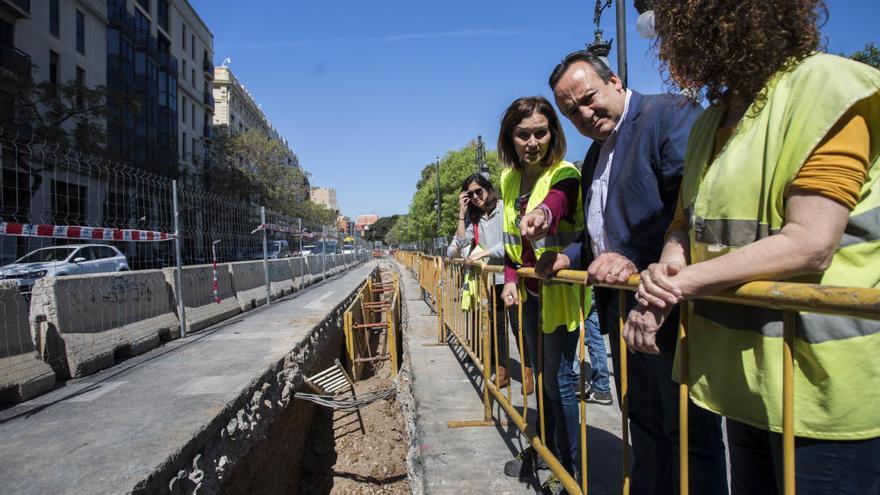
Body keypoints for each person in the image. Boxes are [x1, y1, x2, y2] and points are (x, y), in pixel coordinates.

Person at [627, 1, 880, 493]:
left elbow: (810, 243)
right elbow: (685, 224)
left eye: (666, 17)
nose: (660, 36)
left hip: (823, 388)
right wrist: (668, 267)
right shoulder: (710, 123)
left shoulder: (827, 86)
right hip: (744, 382)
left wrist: (671, 289)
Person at [541, 50, 728, 494]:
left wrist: (637, 262)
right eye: (571, 112)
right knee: (644, 426)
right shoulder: (593, 156)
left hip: (672, 309)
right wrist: (569, 257)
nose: (584, 114)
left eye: (589, 98)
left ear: (616, 82)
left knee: (688, 435)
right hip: (626, 312)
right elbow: (599, 239)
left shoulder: (668, 116)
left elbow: (696, 209)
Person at [497, 96, 584, 493]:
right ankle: (543, 447)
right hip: (530, 297)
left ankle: (569, 469)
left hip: (559, 297)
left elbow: (557, 203)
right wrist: (511, 277)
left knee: (558, 382)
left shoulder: (565, 172)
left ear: (553, 134)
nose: (532, 142)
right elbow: (512, 244)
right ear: (510, 137)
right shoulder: (507, 180)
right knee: (538, 379)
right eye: (522, 134)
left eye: (540, 133)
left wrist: (542, 216)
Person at [446, 173, 534, 393]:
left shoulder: (506, 208)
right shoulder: (474, 218)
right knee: (497, 328)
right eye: (470, 194)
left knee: (518, 326)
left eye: (478, 191)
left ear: (488, 188)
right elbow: (461, 242)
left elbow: (511, 243)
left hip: (511, 277)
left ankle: (528, 372)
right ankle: (502, 372)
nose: (476, 197)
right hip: (490, 279)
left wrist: (482, 253)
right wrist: (461, 213)